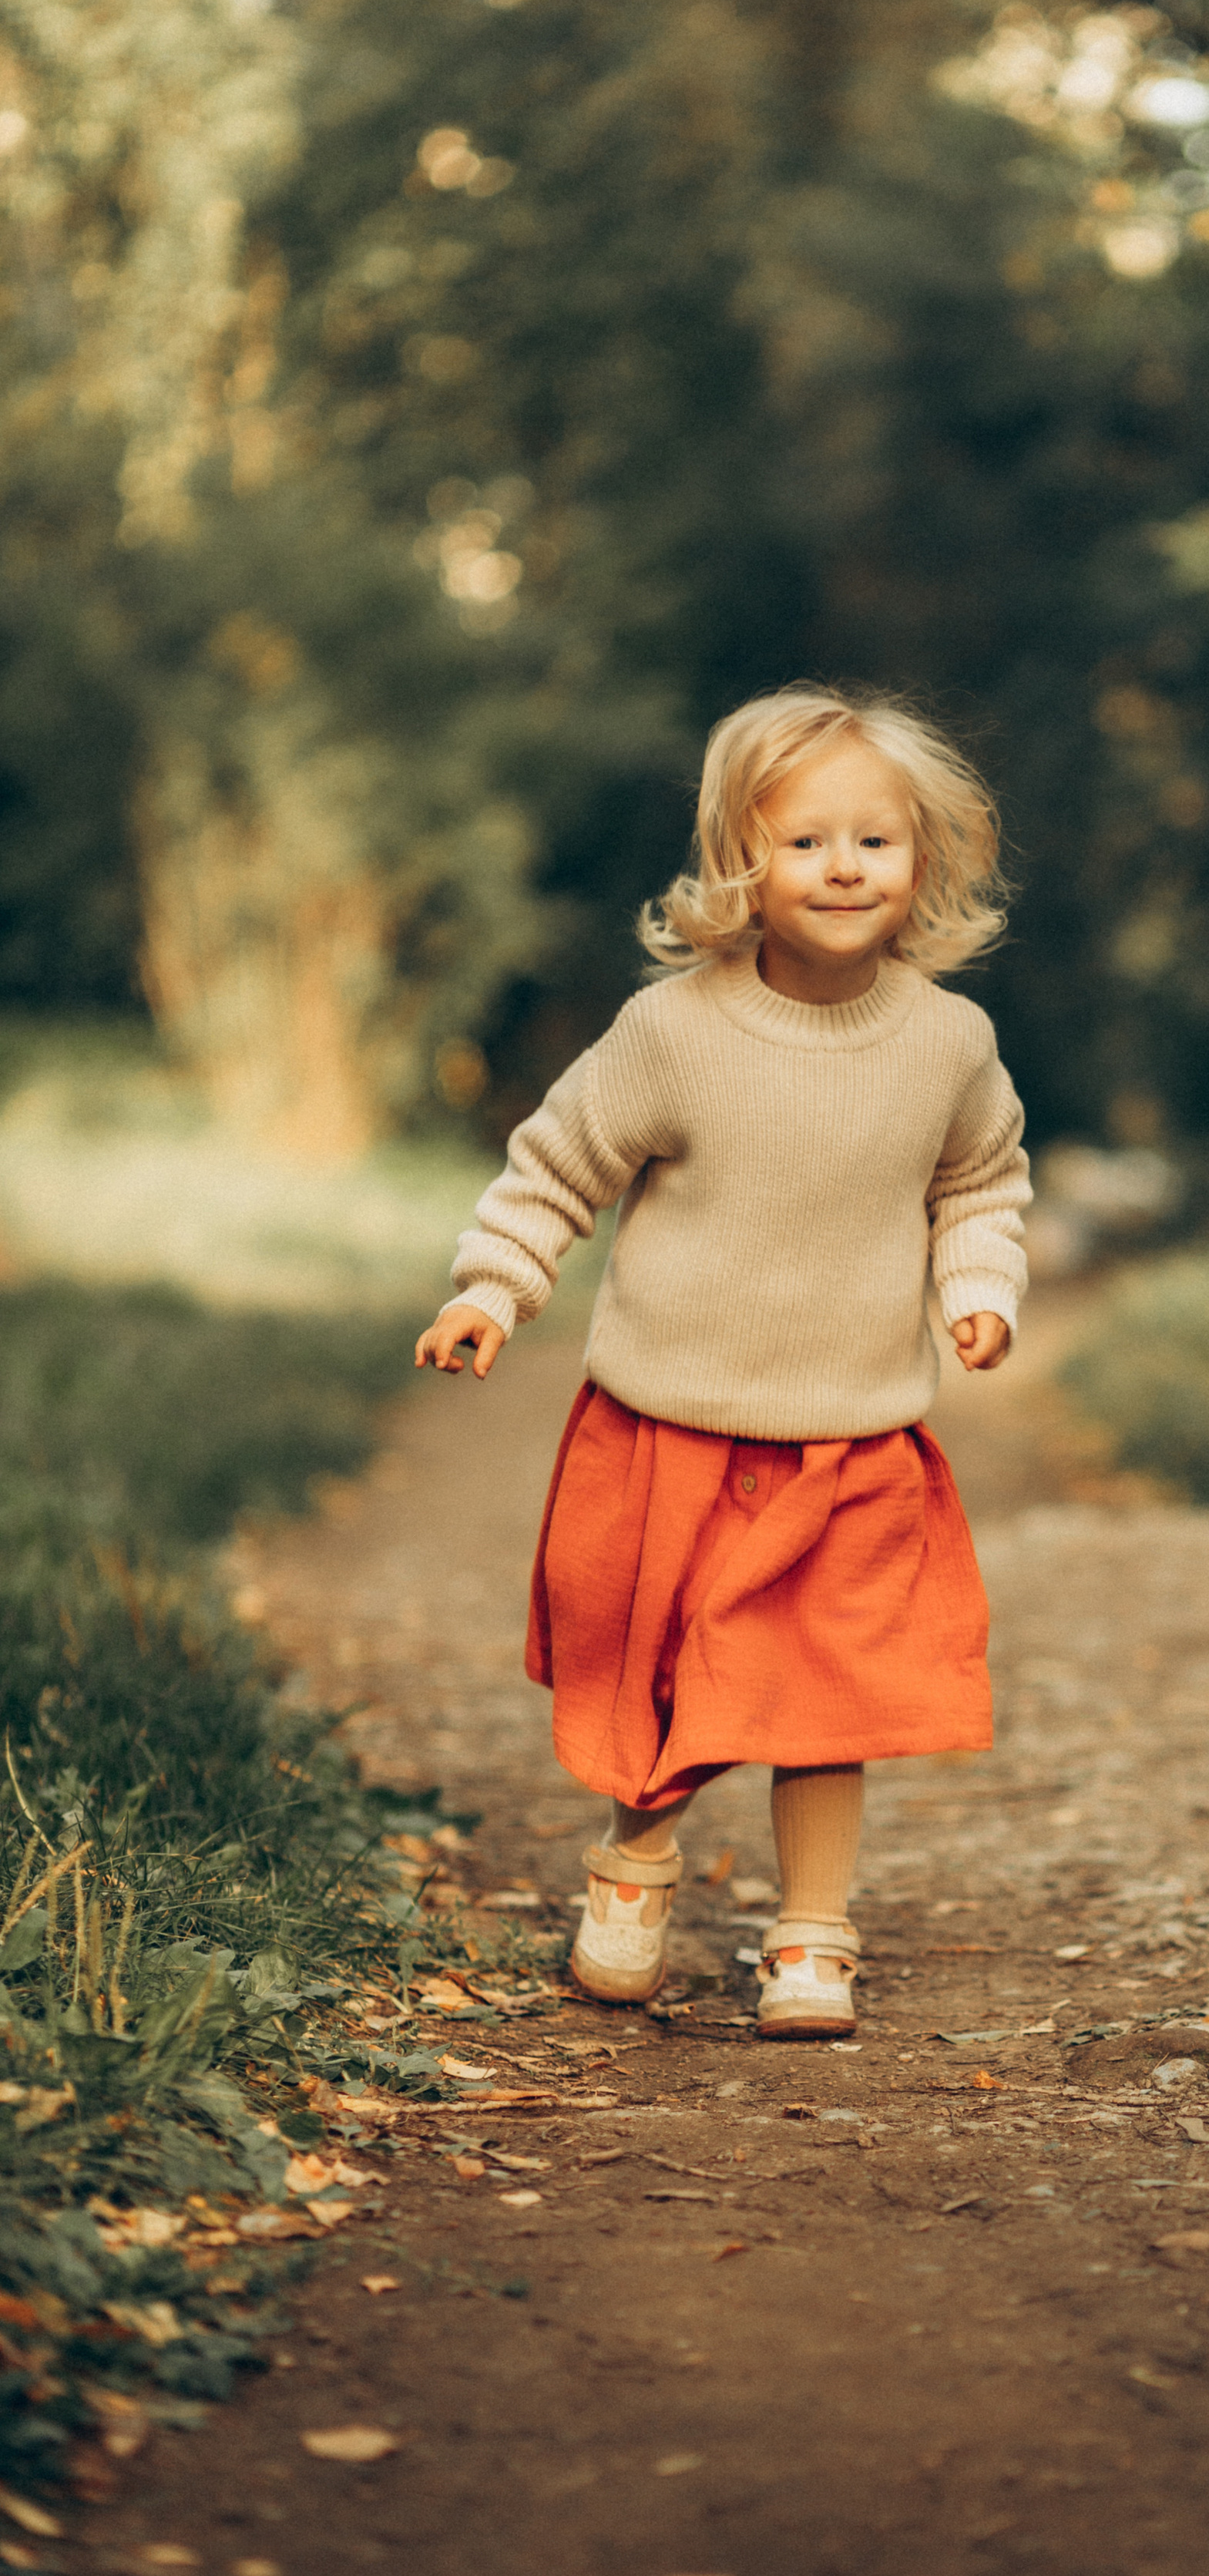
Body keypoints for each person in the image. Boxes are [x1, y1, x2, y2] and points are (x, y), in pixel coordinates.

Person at [413, 686, 1029, 2040]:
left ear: (924, 861)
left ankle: (814, 1934)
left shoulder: (947, 1045)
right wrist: (493, 1290)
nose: (846, 866)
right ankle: (635, 1859)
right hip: (672, 1429)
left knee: (830, 1691)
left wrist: (979, 1286)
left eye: (877, 840)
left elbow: (980, 1185)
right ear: (742, 865)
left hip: (851, 1438)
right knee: (670, 1673)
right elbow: (556, 1168)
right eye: (806, 842)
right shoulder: (675, 1034)